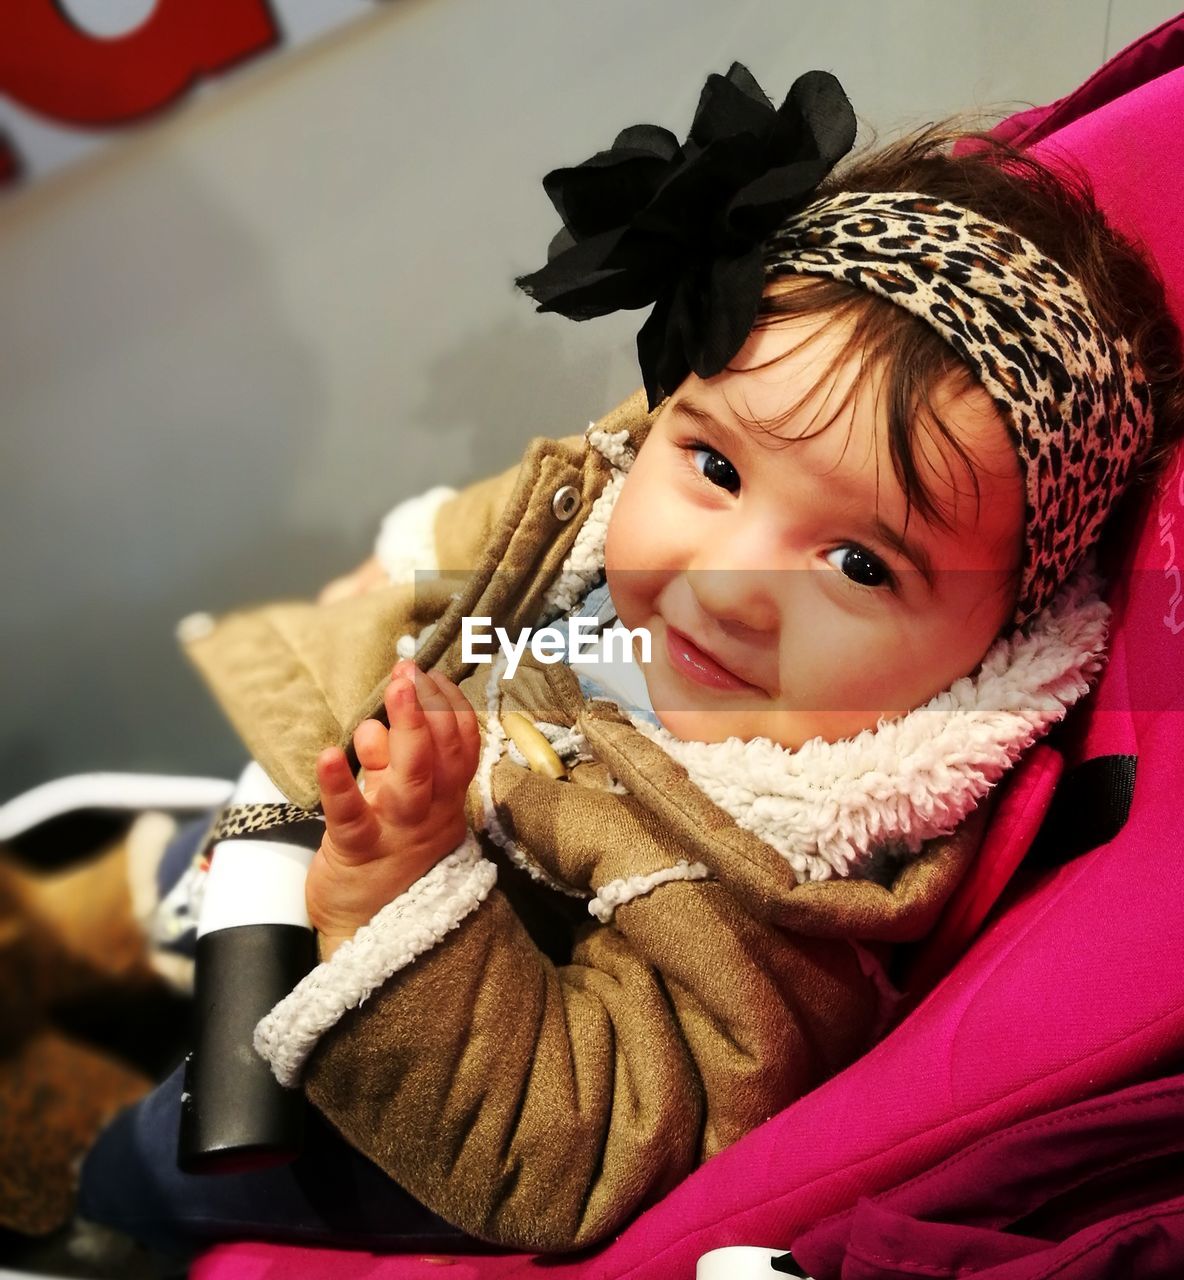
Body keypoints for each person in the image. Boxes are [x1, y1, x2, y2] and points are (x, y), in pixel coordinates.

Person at [64, 63, 1184, 1259]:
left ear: (993, 642)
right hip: (354, 772)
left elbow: (576, 1136)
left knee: (157, 1153)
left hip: (388, 1056)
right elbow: (548, 500)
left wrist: (401, 886)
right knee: (193, 859)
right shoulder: (627, 495)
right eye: (714, 468)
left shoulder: (783, 902)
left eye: (858, 564)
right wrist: (406, 574)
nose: (725, 580)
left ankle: (89, 1201)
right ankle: (100, 915)